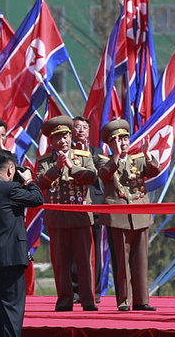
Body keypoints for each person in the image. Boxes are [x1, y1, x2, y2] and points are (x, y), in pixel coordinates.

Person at [0, 149, 43, 336]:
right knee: (11, 311)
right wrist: (28, 180)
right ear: (11, 168)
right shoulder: (10, 189)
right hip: (10, 260)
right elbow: (37, 199)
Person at [36, 116, 98, 312]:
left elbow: (93, 177)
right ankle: (64, 299)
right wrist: (57, 168)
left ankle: (88, 300)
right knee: (61, 262)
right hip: (57, 217)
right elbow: (40, 183)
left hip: (80, 216)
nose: (62, 141)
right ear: (52, 142)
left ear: (71, 137)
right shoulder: (45, 161)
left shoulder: (83, 156)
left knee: (84, 261)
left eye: (65, 136)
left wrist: (72, 167)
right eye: (57, 138)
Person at [98, 119, 160, 312]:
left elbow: (154, 170)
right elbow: (105, 174)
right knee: (121, 262)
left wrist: (148, 154)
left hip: (139, 214)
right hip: (118, 217)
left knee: (140, 260)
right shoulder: (104, 159)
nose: (123, 143)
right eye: (117, 139)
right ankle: (124, 300)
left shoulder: (138, 158)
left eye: (125, 138)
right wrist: (116, 155)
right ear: (109, 143)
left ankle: (142, 300)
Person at [70, 115, 113, 304]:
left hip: (95, 204)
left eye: (84, 128)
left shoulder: (97, 152)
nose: (80, 130)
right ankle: (75, 291)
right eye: (77, 127)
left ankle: (94, 291)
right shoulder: (66, 152)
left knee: (95, 251)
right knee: (73, 250)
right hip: (73, 205)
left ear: (89, 131)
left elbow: (102, 175)